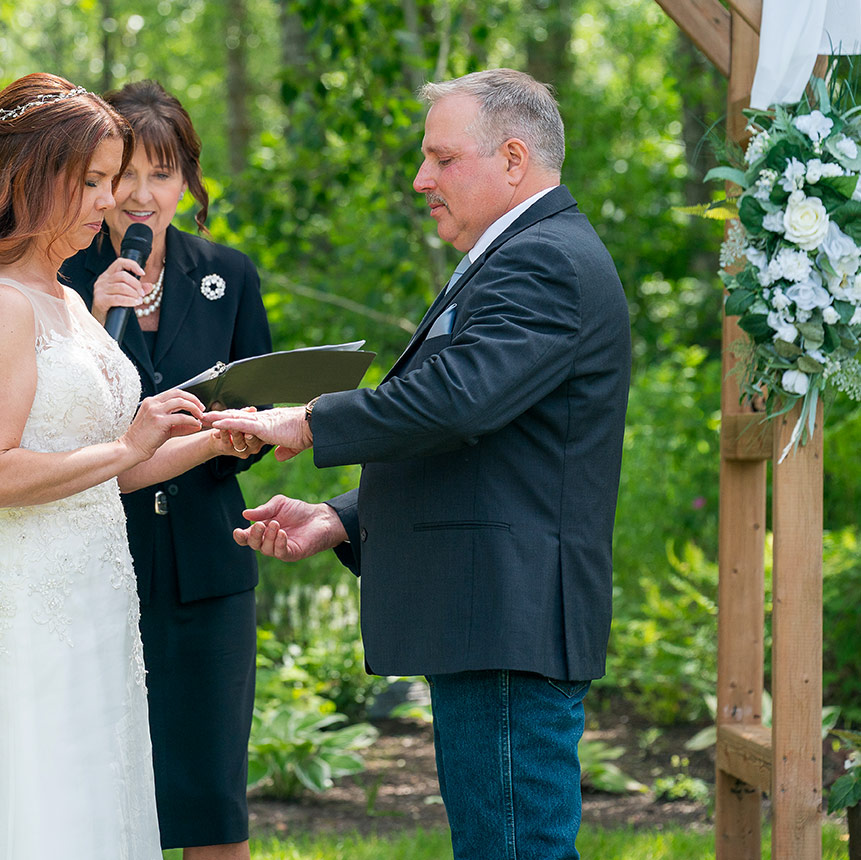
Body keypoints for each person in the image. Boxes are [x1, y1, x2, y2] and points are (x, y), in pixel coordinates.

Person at [207, 68, 631, 859]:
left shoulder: (543, 262)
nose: (419, 179)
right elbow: (487, 445)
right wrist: (340, 517)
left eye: (440, 158)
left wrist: (302, 421)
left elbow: (456, 400)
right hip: (486, 612)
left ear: (512, 159)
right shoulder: (516, 255)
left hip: (507, 617)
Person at [0, 72, 258, 859]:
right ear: (33, 179)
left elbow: (102, 473)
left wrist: (209, 438)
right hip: (31, 610)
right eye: (94, 181)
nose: (111, 203)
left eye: (113, 181)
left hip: (99, 601)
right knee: (39, 822)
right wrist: (132, 443)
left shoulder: (66, 301)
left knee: (102, 814)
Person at [60, 79, 271, 860]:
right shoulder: (61, 280)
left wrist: (246, 432)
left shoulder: (229, 275)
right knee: (101, 789)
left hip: (206, 560)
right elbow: (56, 418)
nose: (141, 196)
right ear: (98, 177)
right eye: (125, 176)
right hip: (92, 555)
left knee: (211, 798)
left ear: (187, 181)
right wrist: (92, 315)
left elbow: (254, 399)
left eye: (163, 173)